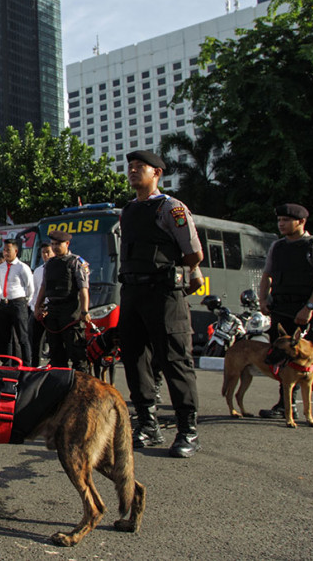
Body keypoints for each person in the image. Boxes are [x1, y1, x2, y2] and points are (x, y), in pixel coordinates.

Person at [118, 150, 204, 458]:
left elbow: (194, 253)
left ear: (157, 173)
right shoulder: (127, 210)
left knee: (174, 359)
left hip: (164, 293)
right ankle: (148, 425)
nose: (132, 170)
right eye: (130, 167)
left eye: (140, 166)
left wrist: (174, 271)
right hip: (132, 294)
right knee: (135, 359)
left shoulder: (172, 208)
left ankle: (188, 431)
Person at [257, 203, 313, 428]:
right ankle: (286, 407)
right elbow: (266, 275)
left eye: (286, 220)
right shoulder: (277, 247)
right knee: (280, 358)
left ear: (301, 222)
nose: (281, 224)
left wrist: (309, 307)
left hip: (309, 311)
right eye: (279, 221)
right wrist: (263, 300)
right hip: (282, 309)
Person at [33, 231, 89, 372]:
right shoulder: (50, 264)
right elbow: (44, 287)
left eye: (58, 244)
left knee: (77, 353)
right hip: (53, 311)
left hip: (71, 312)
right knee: (56, 353)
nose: (55, 247)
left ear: (67, 244)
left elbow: (83, 289)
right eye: (53, 244)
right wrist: (37, 306)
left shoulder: (76, 262)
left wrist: (85, 311)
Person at [0, 238, 35, 361]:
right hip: (4, 303)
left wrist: (25, 302)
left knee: (22, 336)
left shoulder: (22, 267)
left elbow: (30, 287)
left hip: (18, 302)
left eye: (8, 250)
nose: (5, 253)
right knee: (5, 336)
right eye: (4, 250)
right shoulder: (0, 268)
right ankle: (8, 363)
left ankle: (27, 363)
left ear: (16, 251)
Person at [30, 241, 54, 366]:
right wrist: (35, 307)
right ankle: (34, 366)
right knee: (34, 340)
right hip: (38, 308)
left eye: (48, 252)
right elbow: (34, 291)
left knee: (53, 341)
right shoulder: (38, 271)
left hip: (52, 309)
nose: (45, 255)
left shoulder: (58, 268)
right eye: (43, 253)